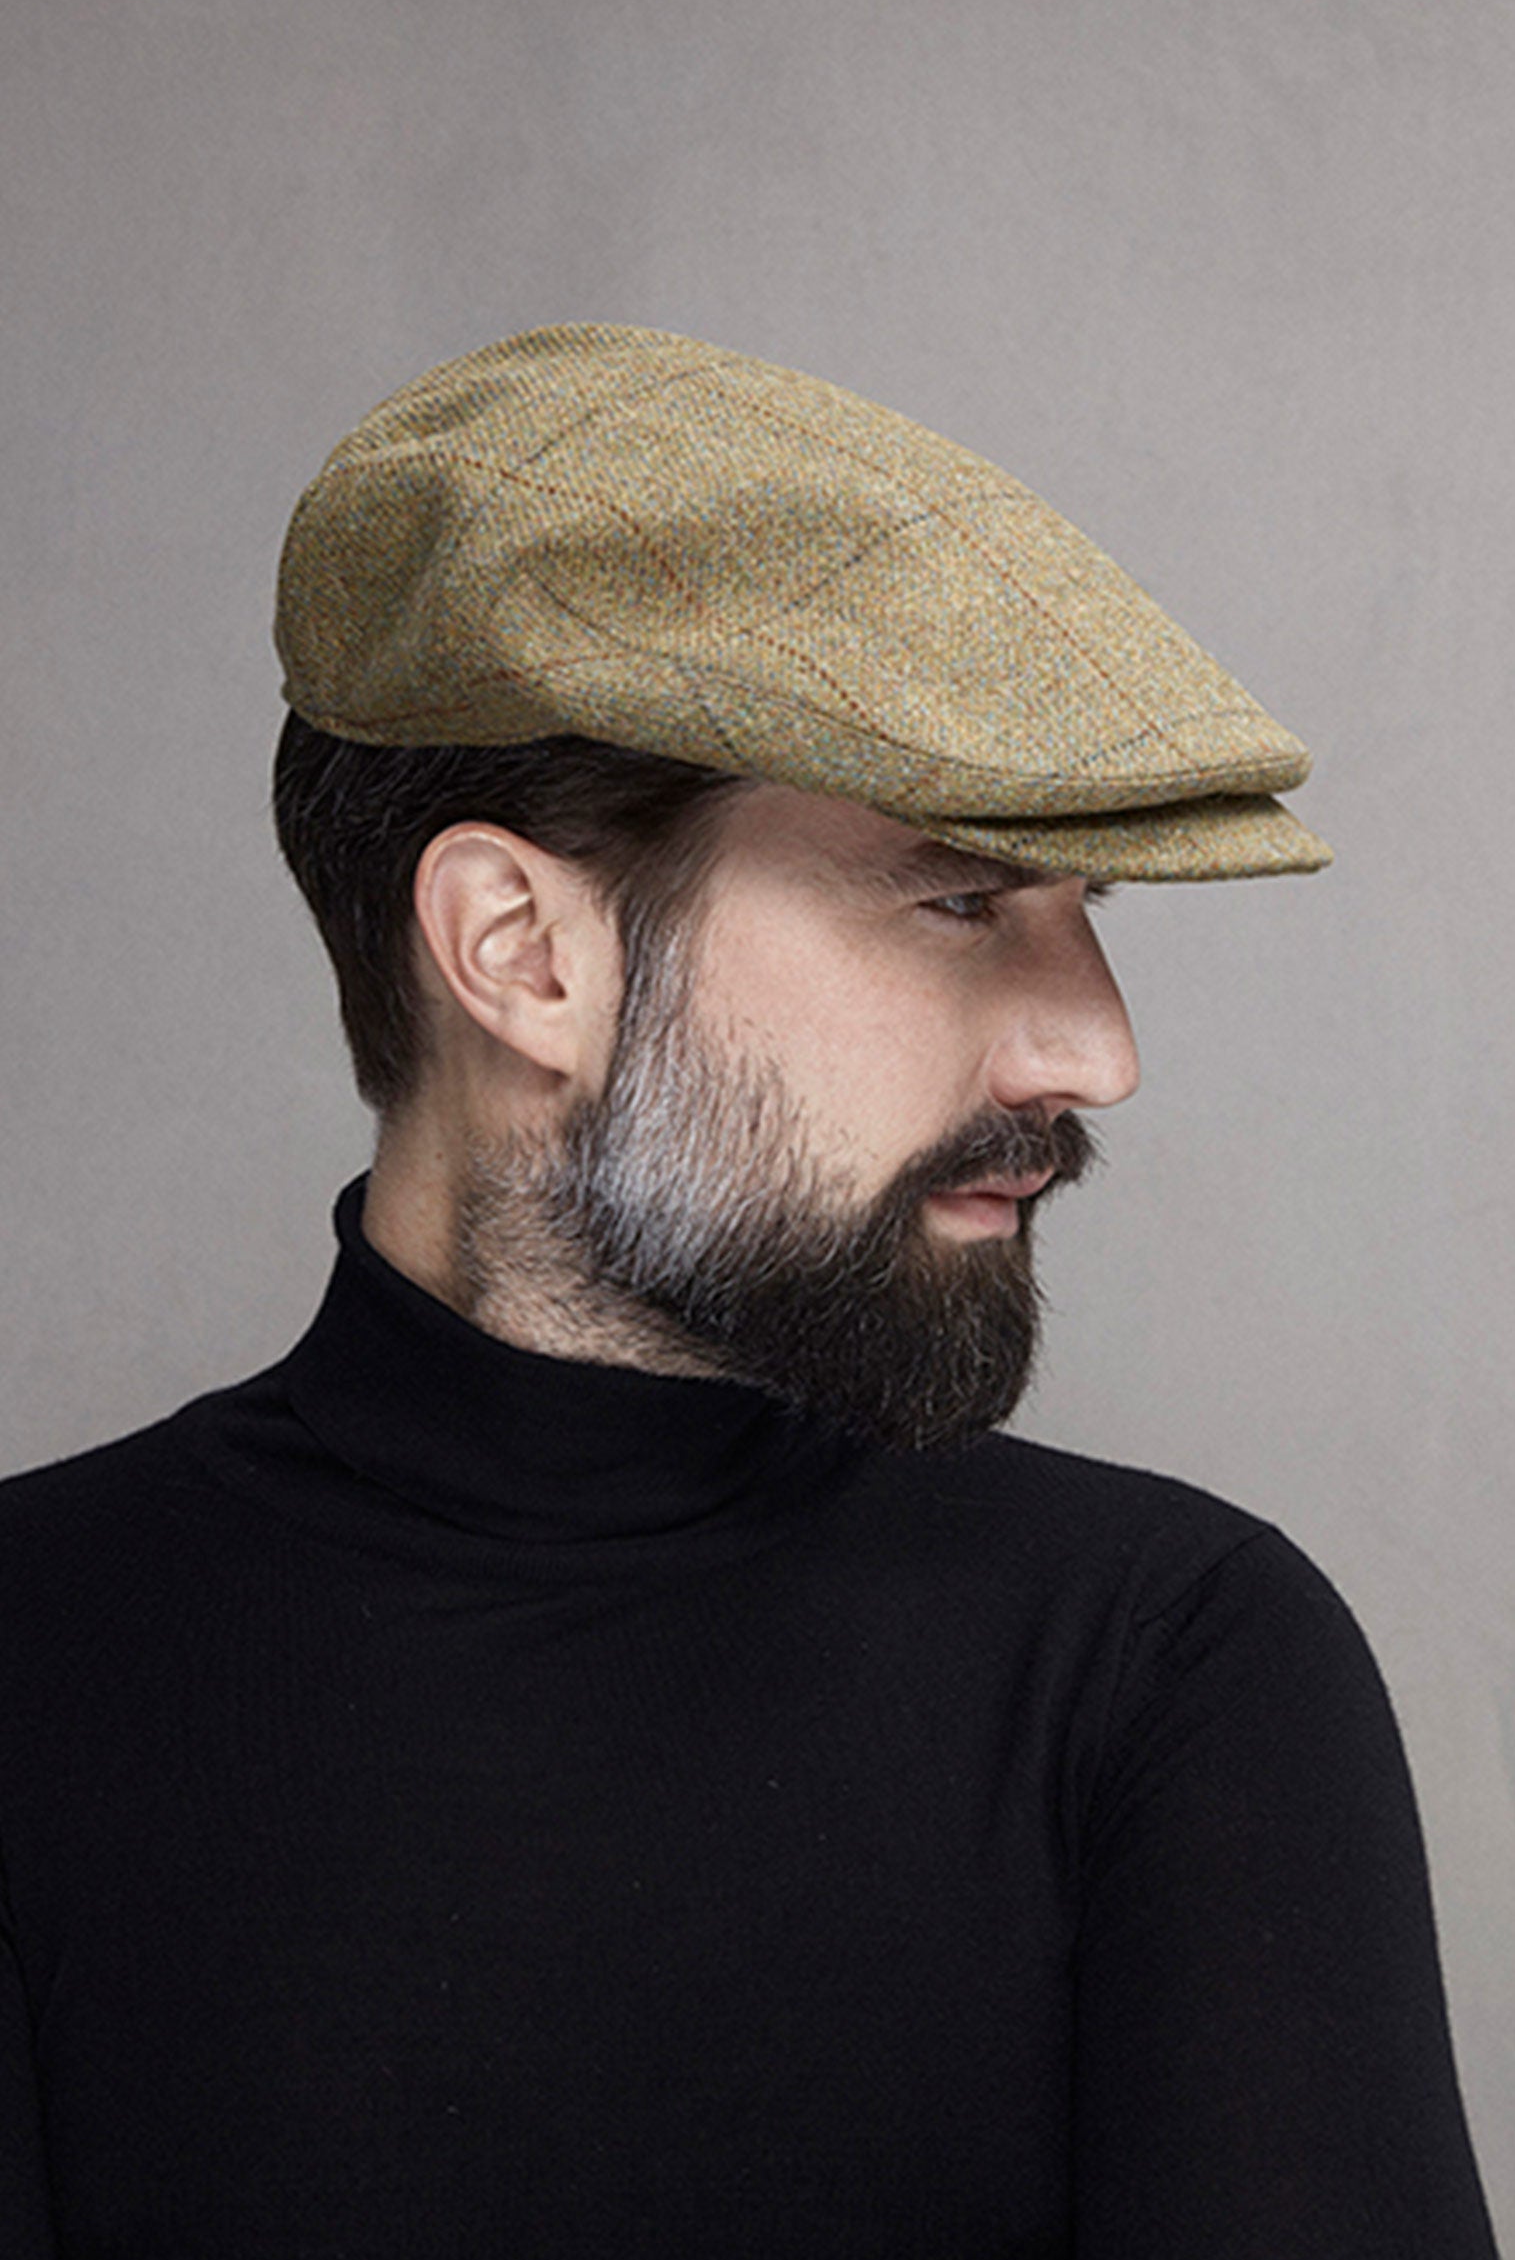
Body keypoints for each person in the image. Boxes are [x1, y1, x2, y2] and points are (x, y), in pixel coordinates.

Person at [0, 324, 1497, 2258]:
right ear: (522, 952)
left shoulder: (1167, 1667)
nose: (1097, 1053)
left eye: (1087, 916)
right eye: (962, 900)